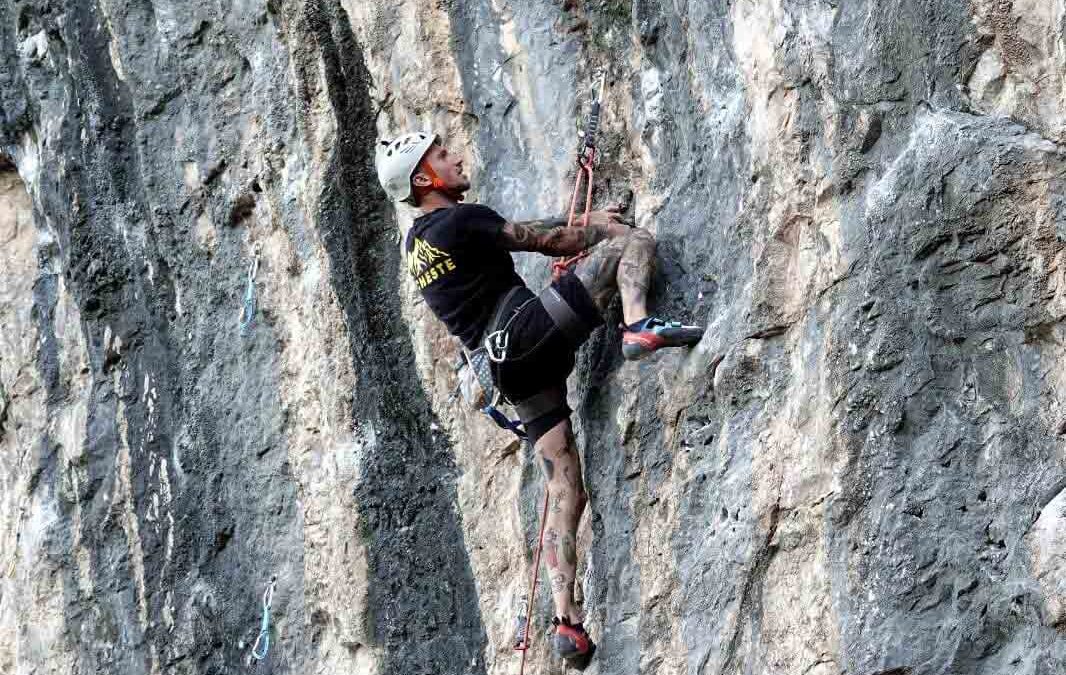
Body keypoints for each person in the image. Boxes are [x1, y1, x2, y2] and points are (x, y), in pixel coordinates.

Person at [376, 131, 703, 668]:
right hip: (529, 334)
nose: (454, 157)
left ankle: (566, 621)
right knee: (632, 245)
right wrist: (602, 227)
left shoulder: (419, 245)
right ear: (422, 179)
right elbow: (546, 242)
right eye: (440, 156)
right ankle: (640, 323)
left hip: (508, 371)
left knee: (563, 482)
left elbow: (512, 229)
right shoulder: (460, 219)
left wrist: (583, 214)